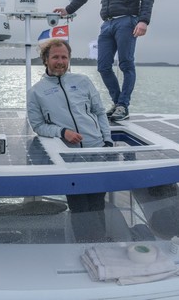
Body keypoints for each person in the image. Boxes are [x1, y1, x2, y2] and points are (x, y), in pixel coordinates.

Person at [54, 0, 154, 121]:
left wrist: (143, 20)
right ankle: (118, 103)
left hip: (128, 21)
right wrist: (69, 9)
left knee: (126, 63)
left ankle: (123, 106)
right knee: (103, 66)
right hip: (107, 24)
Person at [27, 38, 113, 242]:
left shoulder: (83, 82)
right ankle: (86, 244)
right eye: (55, 57)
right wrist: (62, 131)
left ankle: (99, 242)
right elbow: (38, 126)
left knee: (97, 201)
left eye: (64, 57)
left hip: (96, 151)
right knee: (79, 205)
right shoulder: (36, 92)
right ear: (45, 60)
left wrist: (107, 142)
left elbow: (100, 112)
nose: (60, 61)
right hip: (69, 157)